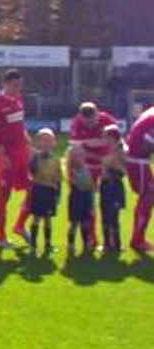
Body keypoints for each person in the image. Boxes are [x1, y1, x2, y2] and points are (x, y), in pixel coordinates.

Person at [0, 69, 31, 249]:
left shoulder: (18, 100)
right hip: (6, 156)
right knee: (4, 196)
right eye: (14, 85)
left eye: (20, 85)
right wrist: (2, 156)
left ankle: (19, 226)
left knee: (34, 189)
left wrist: (29, 146)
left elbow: (20, 126)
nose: (18, 88)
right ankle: (2, 238)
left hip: (22, 154)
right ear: (4, 84)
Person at [68, 102, 117, 247]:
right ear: (80, 118)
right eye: (86, 122)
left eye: (92, 121)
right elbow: (76, 149)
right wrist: (96, 145)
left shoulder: (107, 120)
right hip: (87, 167)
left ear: (97, 114)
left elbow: (115, 142)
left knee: (109, 202)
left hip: (107, 166)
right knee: (88, 205)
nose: (89, 125)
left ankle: (111, 239)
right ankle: (92, 238)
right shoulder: (76, 123)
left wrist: (88, 143)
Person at [125, 105, 154, 252]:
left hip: (137, 161)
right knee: (147, 197)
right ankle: (137, 239)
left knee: (147, 197)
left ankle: (138, 238)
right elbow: (146, 146)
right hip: (138, 162)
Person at [27, 128, 61, 255]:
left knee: (48, 218)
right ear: (38, 143)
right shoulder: (35, 158)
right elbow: (30, 171)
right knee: (36, 217)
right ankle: (33, 244)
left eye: (49, 140)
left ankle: (47, 244)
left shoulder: (56, 159)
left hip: (50, 191)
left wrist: (58, 194)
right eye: (43, 140)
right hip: (39, 190)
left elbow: (58, 178)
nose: (46, 143)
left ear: (53, 143)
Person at [99, 126, 127, 253]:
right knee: (107, 215)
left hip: (113, 186)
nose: (103, 139)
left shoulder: (121, 151)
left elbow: (121, 171)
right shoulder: (110, 151)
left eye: (105, 136)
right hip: (107, 186)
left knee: (111, 215)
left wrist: (107, 166)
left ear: (112, 137)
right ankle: (109, 244)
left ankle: (113, 244)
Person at [65, 146, 95, 256]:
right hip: (76, 197)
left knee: (86, 221)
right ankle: (71, 244)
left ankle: (86, 242)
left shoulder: (86, 168)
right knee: (74, 222)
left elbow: (91, 184)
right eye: (76, 156)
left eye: (81, 155)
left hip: (86, 197)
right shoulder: (71, 169)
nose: (79, 158)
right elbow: (78, 184)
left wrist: (90, 188)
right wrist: (87, 185)